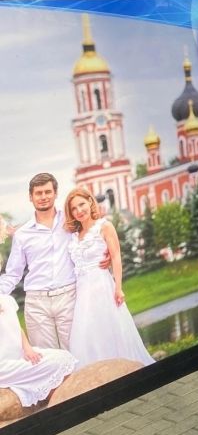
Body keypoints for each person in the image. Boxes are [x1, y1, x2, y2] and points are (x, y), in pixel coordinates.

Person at [63, 188, 154, 368]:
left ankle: (123, 368)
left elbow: (116, 256)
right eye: (74, 209)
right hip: (82, 291)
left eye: (81, 204)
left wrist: (118, 287)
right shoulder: (74, 235)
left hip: (101, 285)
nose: (79, 211)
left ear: (90, 202)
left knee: (110, 326)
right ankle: (96, 371)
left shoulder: (104, 226)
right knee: (86, 331)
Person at [0, 174, 78, 349]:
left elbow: (91, 235)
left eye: (48, 192)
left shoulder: (71, 221)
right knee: (48, 359)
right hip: (37, 304)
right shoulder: (22, 234)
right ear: (31, 197)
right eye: (38, 193)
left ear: (56, 193)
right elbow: (13, 273)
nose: (43, 197)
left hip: (69, 297)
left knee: (77, 350)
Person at [0, 293, 76, 409]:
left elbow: (17, 328)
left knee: (62, 357)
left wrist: (28, 349)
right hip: (4, 365)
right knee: (52, 365)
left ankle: (61, 405)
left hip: (21, 354)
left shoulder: (7, 300)